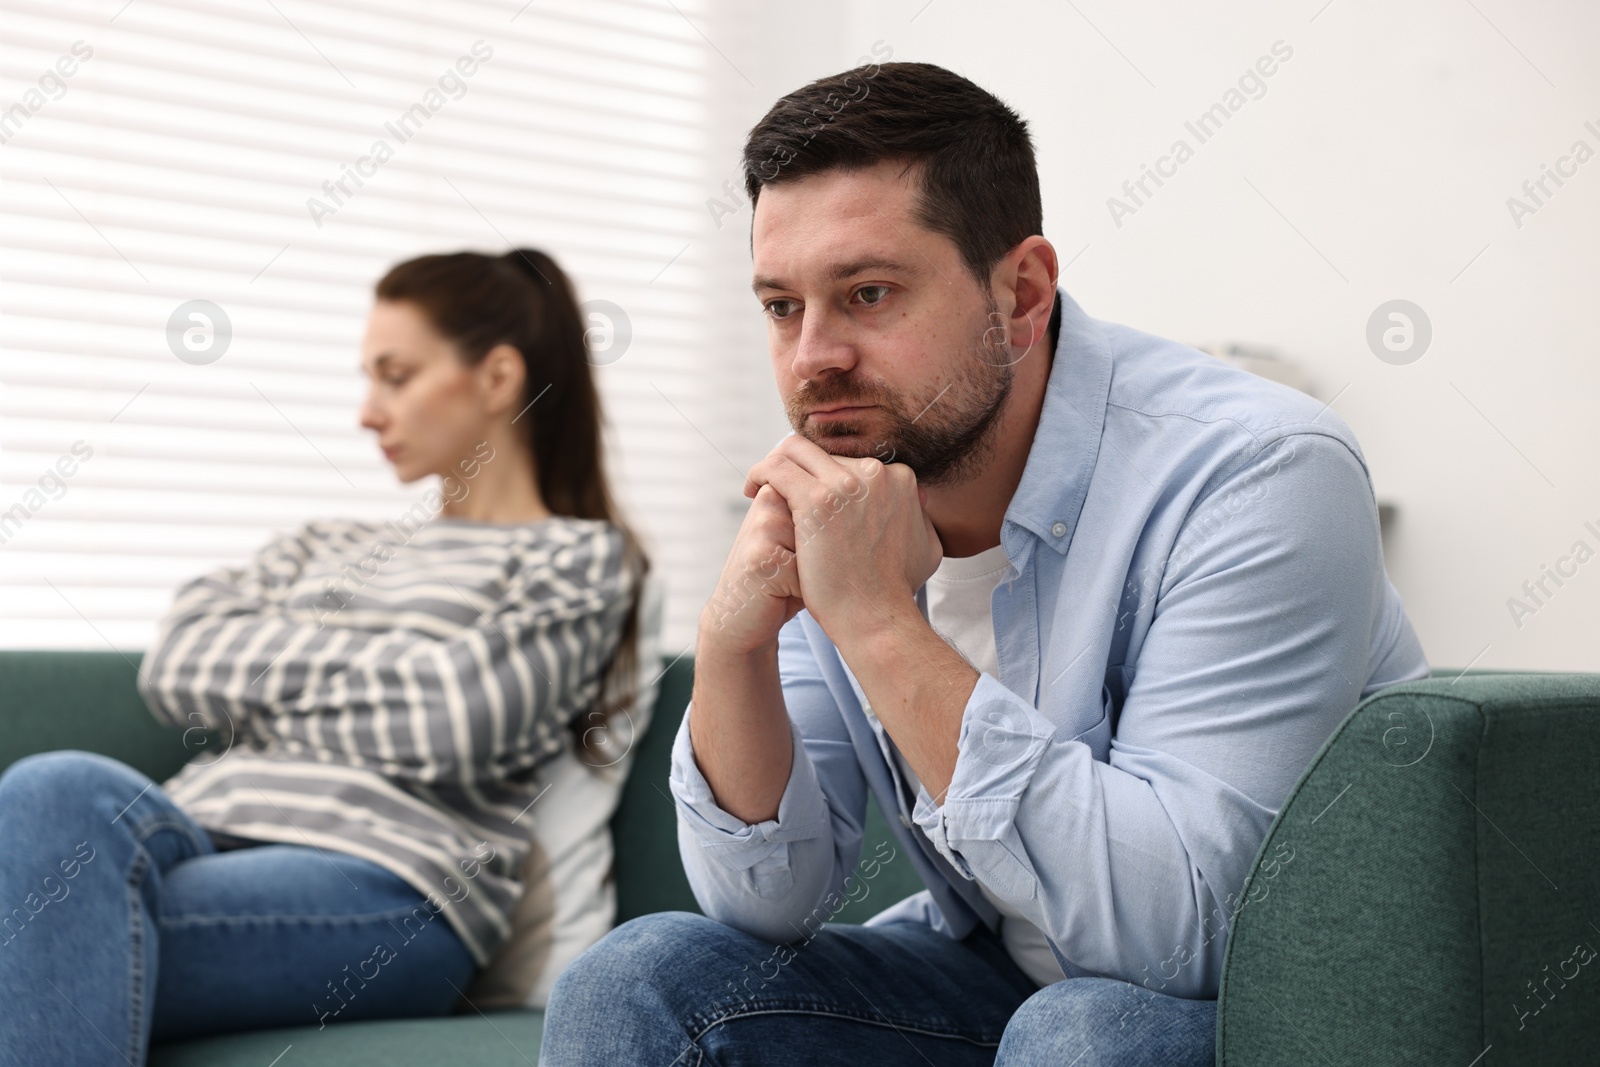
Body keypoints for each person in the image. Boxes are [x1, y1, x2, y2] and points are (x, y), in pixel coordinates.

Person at [539, 62, 1428, 1066]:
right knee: (641, 980)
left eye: (867, 293)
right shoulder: (856, 489)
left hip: (1275, 999)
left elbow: (1181, 932)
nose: (811, 358)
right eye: (782, 307)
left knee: (1082, 1033)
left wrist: (878, 623)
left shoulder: (1255, 472)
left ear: (1022, 291)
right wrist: (731, 639)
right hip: (998, 978)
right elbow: (764, 898)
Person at [0, 248, 651, 1066]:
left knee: (37, 919)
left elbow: (454, 720)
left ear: (496, 378)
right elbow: (177, 661)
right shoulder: (324, 542)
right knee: (53, 786)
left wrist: (275, 674)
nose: (367, 413)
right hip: (198, 827)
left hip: (388, 880)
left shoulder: (576, 557)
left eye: (396, 374)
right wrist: (400, 663)